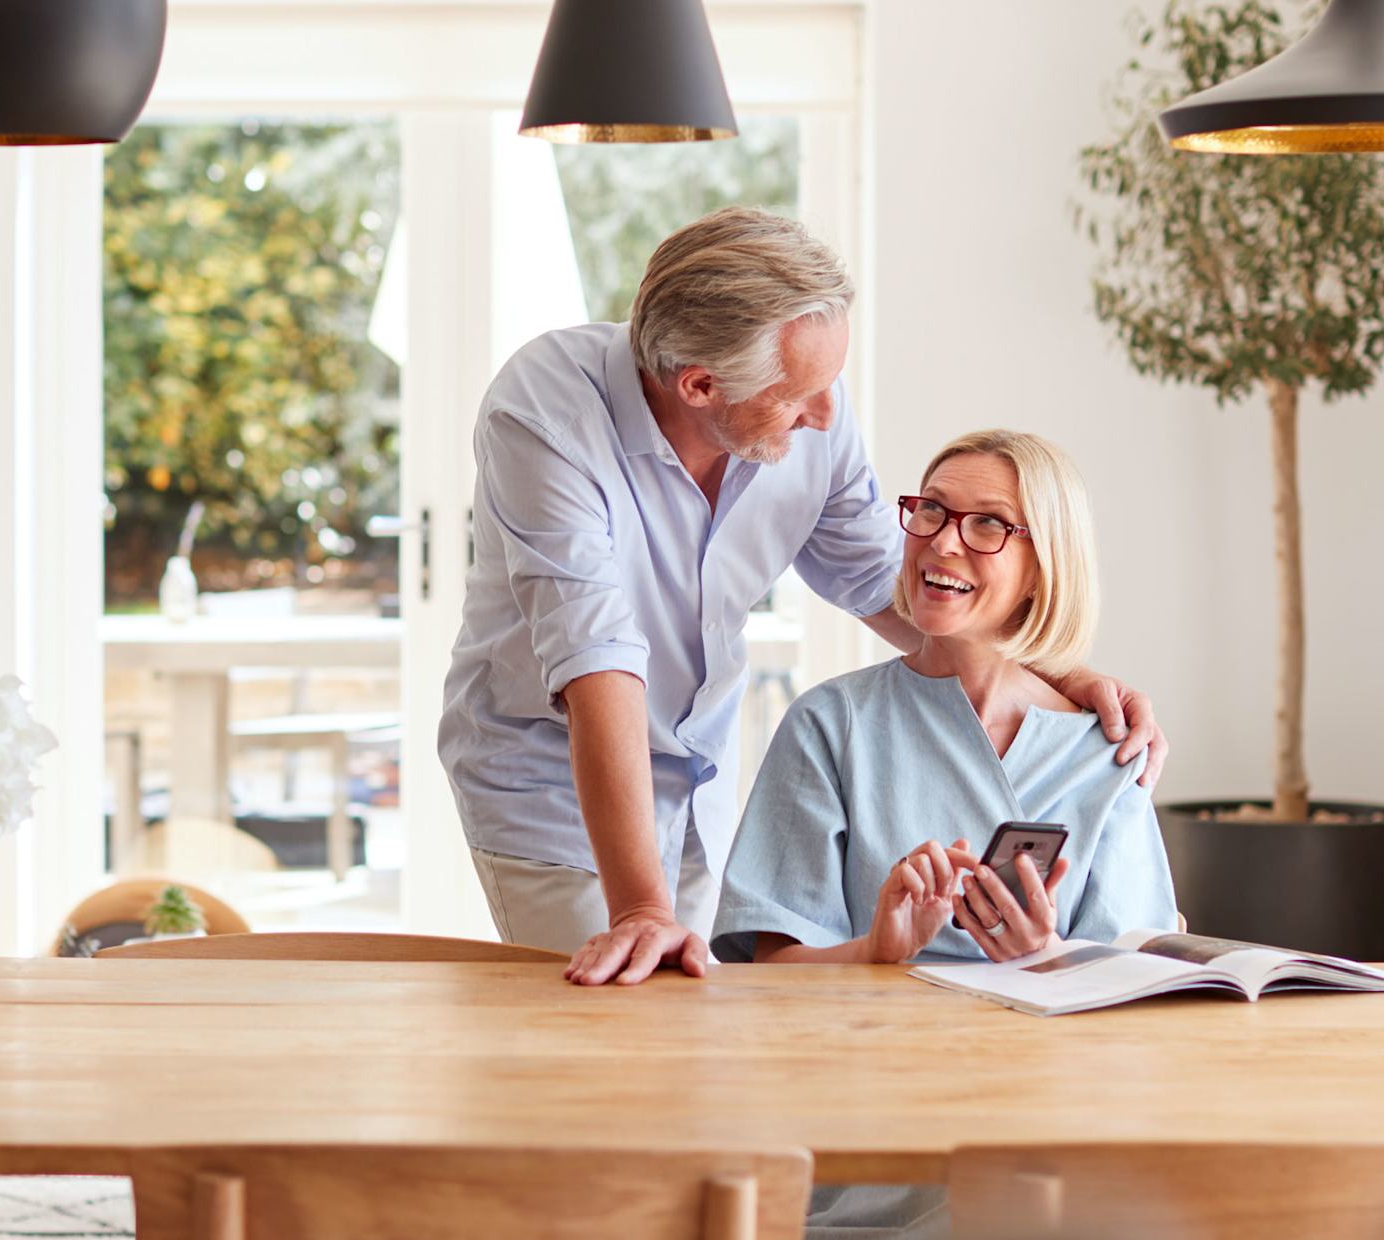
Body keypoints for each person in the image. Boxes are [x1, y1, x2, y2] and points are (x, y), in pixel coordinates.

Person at [438, 209, 1167, 991]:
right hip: (558, 788)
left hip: (696, 777)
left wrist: (1054, 673)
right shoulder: (546, 413)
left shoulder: (806, 398)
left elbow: (889, 578)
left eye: (830, 384)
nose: (826, 414)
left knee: (692, 1038)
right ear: (701, 385)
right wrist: (641, 908)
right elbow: (598, 659)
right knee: (616, 1021)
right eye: (800, 397)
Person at [710, 428, 1289, 1240]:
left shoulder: (1108, 753)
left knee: (1168, 1228)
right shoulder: (832, 726)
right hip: (888, 1143)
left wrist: (1051, 959)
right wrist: (878, 950)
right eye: (930, 510)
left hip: (1077, 1123)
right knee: (1098, 1235)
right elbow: (760, 980)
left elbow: (1150, 995)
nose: (942, 540)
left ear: (1042, 565)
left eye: (988, 525)